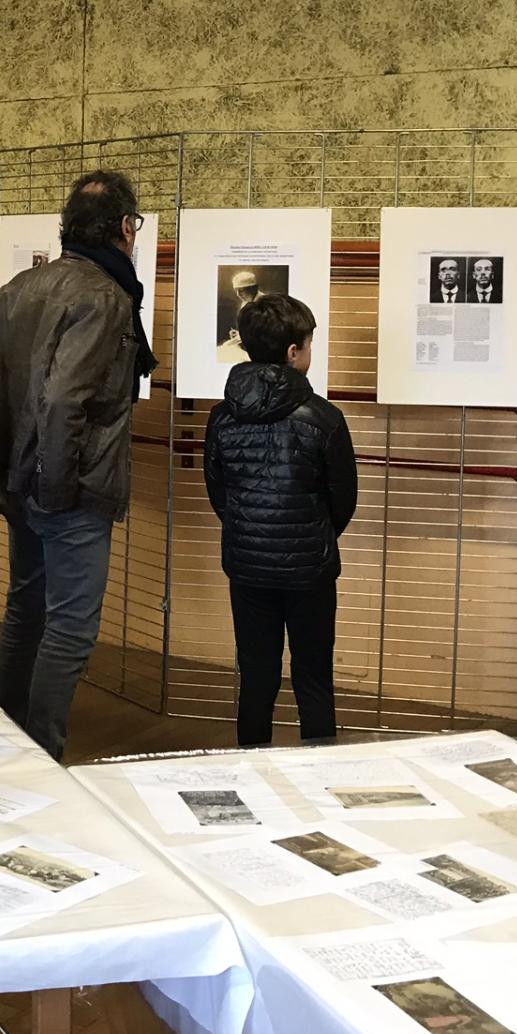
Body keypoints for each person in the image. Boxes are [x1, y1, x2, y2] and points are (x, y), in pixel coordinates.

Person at [0, 171, 155, 758]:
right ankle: (42, 751)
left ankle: (10, 740)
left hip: (20, 486)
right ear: (126, 228)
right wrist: (57, 486)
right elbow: (63, 399)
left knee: (25, 608)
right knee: (71, 627)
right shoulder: (104, 296)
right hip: (66, 490)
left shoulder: (22, 286)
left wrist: (11, 477)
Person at [203, 294, 356, 746]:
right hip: (310, 570)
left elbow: (219, 493)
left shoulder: (221, 418)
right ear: (293, 352)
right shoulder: (324, 417)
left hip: (248, 567)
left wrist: (250, 530)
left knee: (256, 676)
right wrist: (313, 535)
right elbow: (343, 500)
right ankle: (318, 778)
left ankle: (251, 775)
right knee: (313, 678)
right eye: (309, 344)